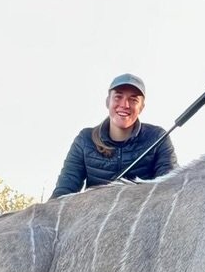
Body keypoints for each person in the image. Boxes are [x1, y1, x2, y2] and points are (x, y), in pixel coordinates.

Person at [50, 73, 178, 198]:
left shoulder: (158, 137)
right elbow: (65, 190)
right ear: (107, 102)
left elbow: (170, 190)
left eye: (133, 100)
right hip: (95, 216)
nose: (125, 105)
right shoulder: (85, 139)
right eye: (118, 97)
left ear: (142, 107)